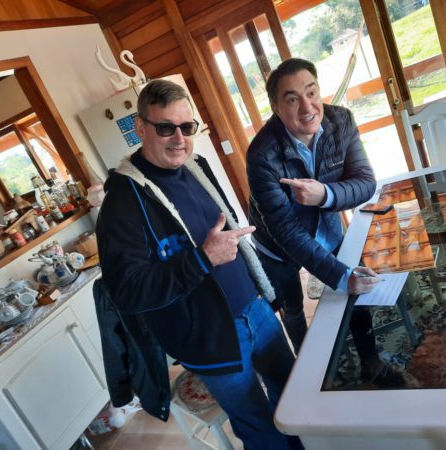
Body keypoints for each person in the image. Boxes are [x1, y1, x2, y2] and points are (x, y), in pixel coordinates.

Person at [96, 79, 302, 450]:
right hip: (208, 338)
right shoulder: (121, 204)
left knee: (293, 398)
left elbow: (228, 232)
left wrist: (262, 290)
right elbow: (128, 292)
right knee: (258, 426)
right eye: (165, 128)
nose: (179, 139)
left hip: (255, 310)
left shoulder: (198, 166)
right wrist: (202, 259)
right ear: (140, 127)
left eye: (186, 127)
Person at [247, 58, 403, 386]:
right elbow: (285, 230)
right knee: (293, 308)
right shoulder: (261, 154)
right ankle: (313, 374)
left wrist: (325, 195)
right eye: (292, 99)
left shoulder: (340, 121)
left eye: (312, 92)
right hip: (276, 247)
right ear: (276, 107)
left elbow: (365, 182)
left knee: (355, 291)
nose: (307, 107)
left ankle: (371, 363)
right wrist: (340, 277)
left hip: (328, 228)